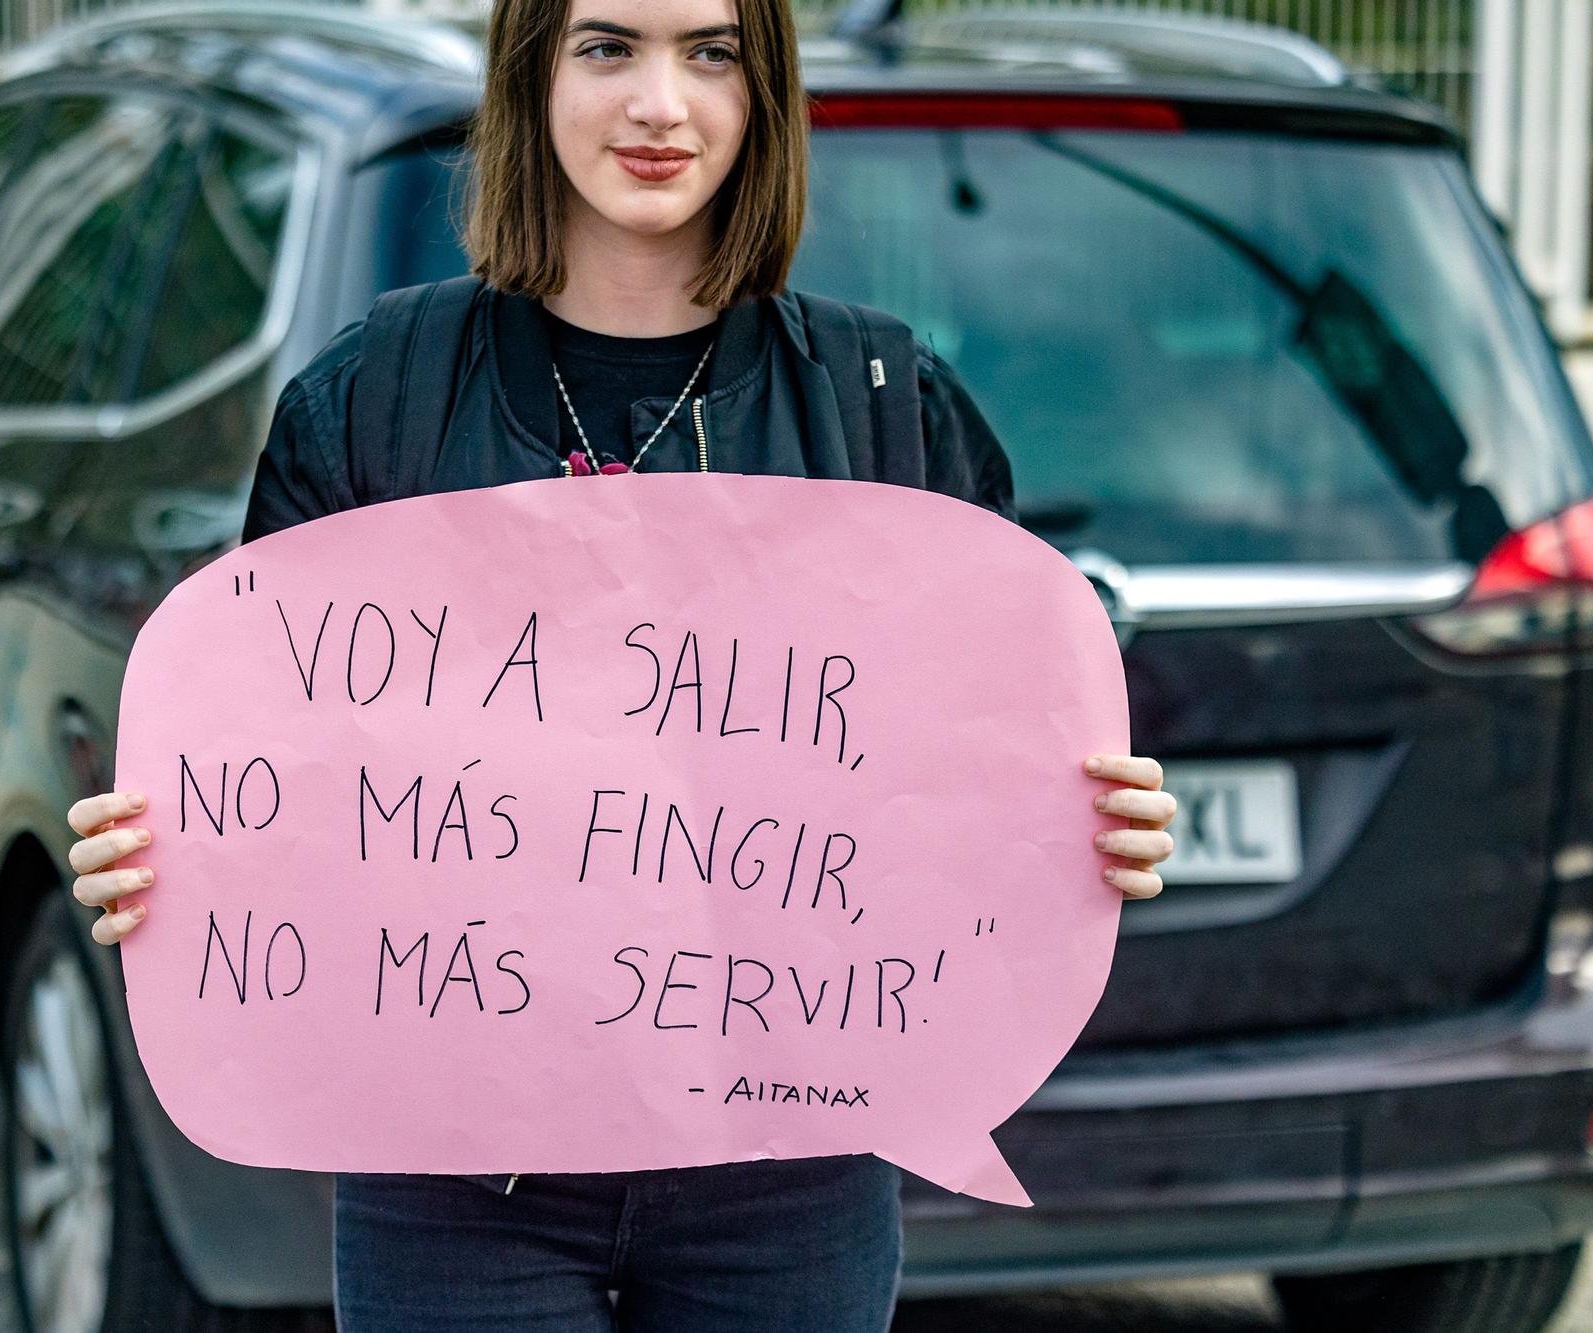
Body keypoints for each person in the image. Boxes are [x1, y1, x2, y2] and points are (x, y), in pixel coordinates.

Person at [65, 0, 1177, 1326]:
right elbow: (278, 777)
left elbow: (982, 781)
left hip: (789, 1177)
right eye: (609, 47)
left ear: (762, 93)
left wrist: (1093, 835)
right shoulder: (378, 398)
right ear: (533, 78)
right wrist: (169, 861)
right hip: (457, 1180)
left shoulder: (886, 411)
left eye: (710, 52)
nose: (662, 103)